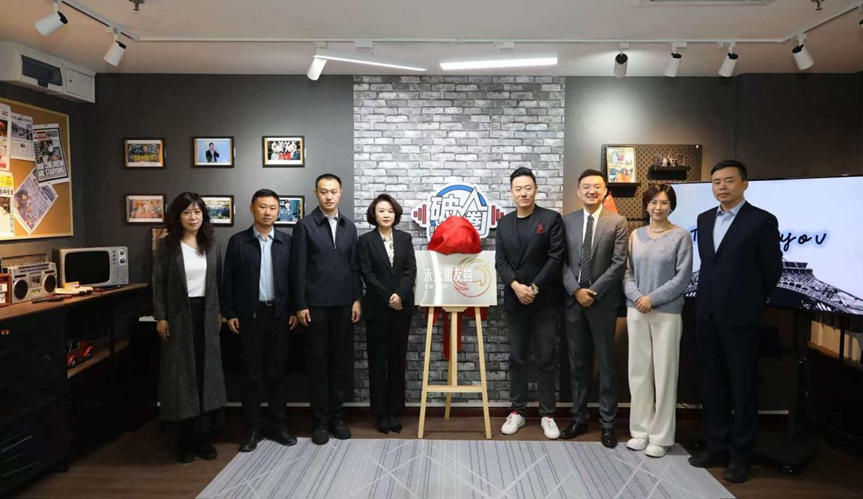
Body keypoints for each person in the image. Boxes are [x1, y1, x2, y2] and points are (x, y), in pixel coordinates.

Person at [688, 160, 782, 483]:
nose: (722, 187)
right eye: (716, 182)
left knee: (743, 387)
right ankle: (716, 445)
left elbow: (772, 270)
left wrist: (749, 301)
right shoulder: (704, 219)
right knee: (712, 384)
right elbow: (710, 266)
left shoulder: (761, 221)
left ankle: (741, 455)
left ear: (744, 183)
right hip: (706, 315)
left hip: (742, 318)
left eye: (729, 180)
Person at [152, 192, 226, 463]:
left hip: (207, 314)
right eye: (186, 212)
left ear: (203, 215)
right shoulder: (166, 246)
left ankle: (204, 439)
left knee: (207, 375)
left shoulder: (213, 244)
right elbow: (157, 282)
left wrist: (219, 313)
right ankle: (184, 441)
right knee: (182, 377)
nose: (193, 217)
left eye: (197, 212)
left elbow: (219, 282)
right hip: (178, 316)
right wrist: (161, 316)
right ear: (178, 217)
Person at [222, 189, 298, 453]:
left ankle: (278, 425)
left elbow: (295, 280)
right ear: (252, 208)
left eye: (273, 207)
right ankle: (252, 428)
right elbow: (228, 280)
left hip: (279, 316)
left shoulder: (287, 242)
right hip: (249, 317)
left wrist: (294, 309)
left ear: (279, 211)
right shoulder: (238, 242)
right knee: (251, 374)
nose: (268, 212)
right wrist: (230, 312)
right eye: (263, 207)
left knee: (278, 373)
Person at [495, 167, 565, 439]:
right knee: (518, 357)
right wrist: (516, 286)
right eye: (518, 189)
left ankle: (547, 414)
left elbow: (556, 258)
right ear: (511, 192)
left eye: (528, 188)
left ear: (536, 189)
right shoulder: (504, 223)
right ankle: (518, 411)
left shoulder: (550, 219)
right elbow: (500, 261)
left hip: (544, 301)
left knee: (546, 357)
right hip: (515, 301)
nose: (523, 193)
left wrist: (534, 288)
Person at [623, 184, 693, 458]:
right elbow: (627, 273)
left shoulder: (681, 236)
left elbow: (682, 278)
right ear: (646, 205)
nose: (658, 207)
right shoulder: (636, 235)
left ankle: (661, 436)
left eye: (664, 202)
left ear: (671, 206)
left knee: (664, 374)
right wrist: (638, 297)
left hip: (667, 312)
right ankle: (640, 431)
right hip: (637, 310)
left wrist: (652, 298)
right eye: (653, 202)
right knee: (638, 372)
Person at [292, 173, 362, 445]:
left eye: (333, 191)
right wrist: (300, 304)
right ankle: (320, 421)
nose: (329, 196)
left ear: (340, 192)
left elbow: (354, 267)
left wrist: (356, 299)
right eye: (324, 191)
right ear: (316, 193)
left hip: (344, 305)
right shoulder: (305, 226)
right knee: (318, 365)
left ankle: (338, 418)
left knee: (340, 364)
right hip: (316, 307)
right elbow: (297, 268)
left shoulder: (349, 227)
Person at [560, 169, 628, 448]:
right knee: (578, 364)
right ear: (578, 191)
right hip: (573, 301)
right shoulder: (567, 221)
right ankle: (579, 418)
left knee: (607, 364)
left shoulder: (618, 221)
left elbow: (619, 263)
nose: (591, 191)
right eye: (586, 186)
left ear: (604, 191)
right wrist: (576, 291)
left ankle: (608, 423)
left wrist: (593, 291)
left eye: (596, 186)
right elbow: (561, 261)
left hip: (603, 303)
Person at [358, 194, 416, 434]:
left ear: (396, 214)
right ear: (374, 214)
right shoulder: (365, 241)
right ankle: (380, 413)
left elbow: (410, 270)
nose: (386, 215)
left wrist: (399, 295)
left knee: (397, 360)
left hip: (401, 309)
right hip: (377, 309)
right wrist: (388, 297)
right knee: (377, 362)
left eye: (390, 211)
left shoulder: (405, 238)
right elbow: (367, 274)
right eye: (381, 210)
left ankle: (394, 411)